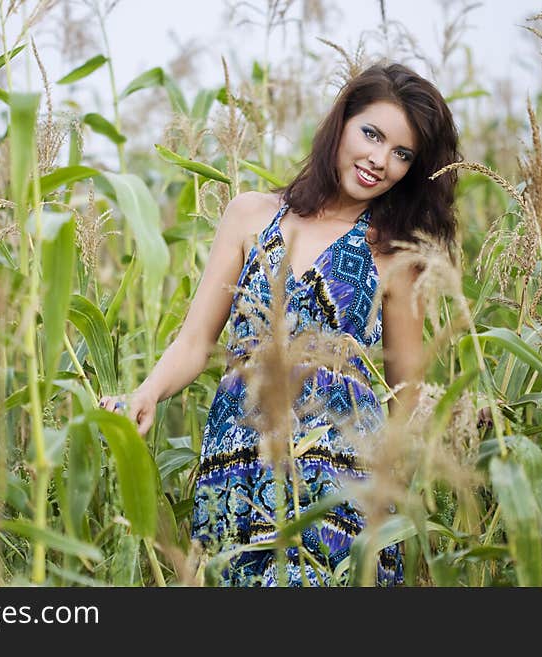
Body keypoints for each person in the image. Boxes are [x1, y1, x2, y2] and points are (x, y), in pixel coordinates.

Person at [98, 61, 460, 586]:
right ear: (341, 123)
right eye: (372, 134)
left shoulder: (394, 252)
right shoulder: (250, 215)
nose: (380, 161)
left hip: (342, 485)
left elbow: (407, 389)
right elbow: (196, 340)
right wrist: (147, 393)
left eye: (402, 154)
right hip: (238, 469)